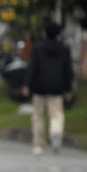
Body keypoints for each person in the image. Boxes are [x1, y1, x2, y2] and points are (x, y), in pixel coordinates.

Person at [22, 20, 75, 155]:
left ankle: (39, 143)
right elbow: (68, 69)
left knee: (38, 116)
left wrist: (27, 84)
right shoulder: (64, 48)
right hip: (57, 87)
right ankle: (55, 133)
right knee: (56, 115)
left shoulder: (38, 47)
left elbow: (32, 67)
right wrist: (69, 88)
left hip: (39, 87)